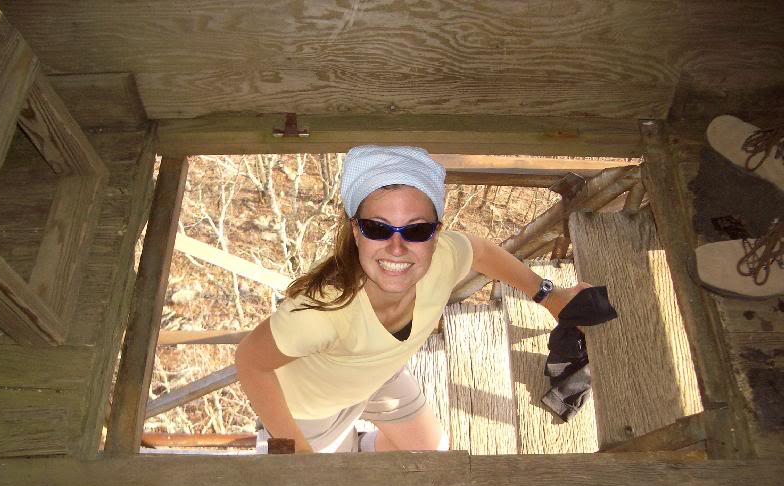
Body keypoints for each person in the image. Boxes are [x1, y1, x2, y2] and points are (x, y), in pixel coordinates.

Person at [235, 146, 588, 454]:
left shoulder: (443, 259)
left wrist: (548, 295)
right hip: (310, 407)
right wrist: (296, 453)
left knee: (431, 452)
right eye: (378, 227)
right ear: (355, 230)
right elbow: (251, 362)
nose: (397, 247)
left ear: (436, 234)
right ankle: (343, 451)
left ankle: (361, 447)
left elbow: (480, 251)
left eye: (416, 230)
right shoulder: (321, 311)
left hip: (379, 377)